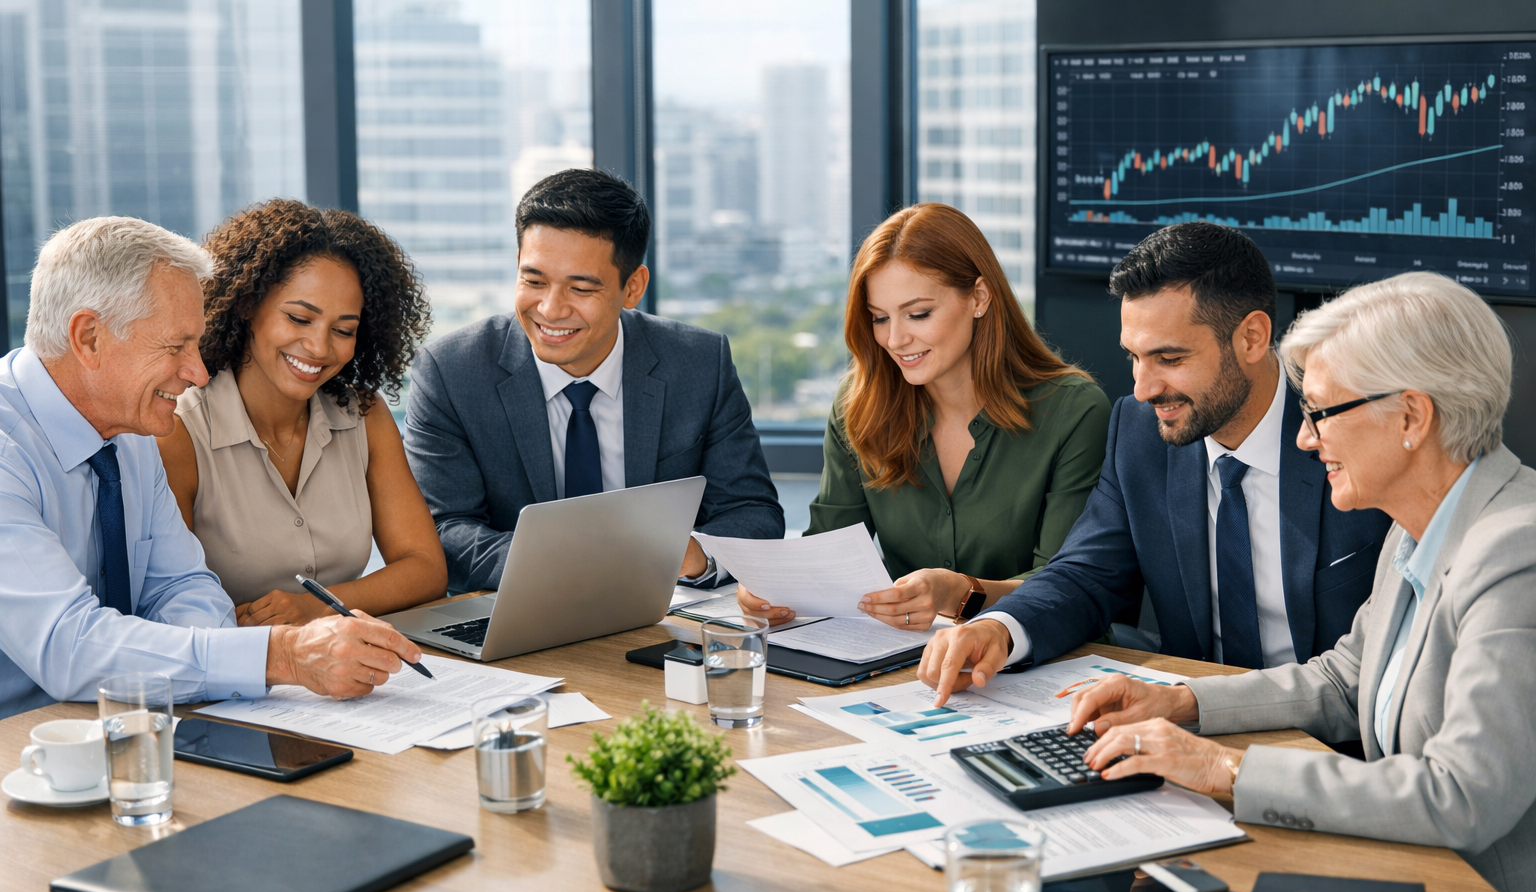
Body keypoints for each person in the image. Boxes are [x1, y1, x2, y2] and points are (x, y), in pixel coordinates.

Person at [1064, 272, 1536, 892]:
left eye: (1321, 412)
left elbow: (1459, 797)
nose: (1305, 439)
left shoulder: (1517, 554)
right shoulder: (1420, 519)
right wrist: (1183, 702)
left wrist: (1226, 770)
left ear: (1411, 415)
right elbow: (1348, 679)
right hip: (1408, 874)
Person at [920, 221, 1393, 702]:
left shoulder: (1351, 432)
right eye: (1133, 357)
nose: (1143, 389)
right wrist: (1001, 629)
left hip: (1327, 739)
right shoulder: (1140, 430)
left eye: (1169, 359)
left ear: (1252, 338)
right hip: (1184, 722)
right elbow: (1086, 574)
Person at [0, 216, 423, 721]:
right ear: (89, 337)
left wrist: (206, 664)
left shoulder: (130, 431)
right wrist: (283, 655)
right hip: (22, 744)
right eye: (176, 346)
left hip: (126, 723)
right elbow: (67, 645)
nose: (197, 371)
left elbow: (183, 586)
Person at [404, 168, 783, 593]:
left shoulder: (698, 363)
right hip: (520, 607)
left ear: (633, 287)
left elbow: (753, 511)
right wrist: (579, 566)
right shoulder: (451, 372)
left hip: (665, 611)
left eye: (580, 289)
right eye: (534, 280)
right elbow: (444, 528)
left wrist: (694, 552)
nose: (550, 309)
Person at [737, 203, 1110, 630]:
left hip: (1043, 662)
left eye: (918, 314)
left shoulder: (1074, 412)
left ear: (979, 298)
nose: (895, 339)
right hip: (904, 664)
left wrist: (958, 593)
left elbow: (1066, 587)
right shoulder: (857, 405)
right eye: (879, 318)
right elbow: (829, 553)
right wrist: (777, 586)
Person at [156, 199, 446, 625]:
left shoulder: (363, 414)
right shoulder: (178, 429)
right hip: (236, 674)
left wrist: (320, 605)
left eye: (344, 330)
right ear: (247, 304)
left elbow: (425, 569)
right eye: (298, 318)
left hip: (346, 668)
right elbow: (167, 601)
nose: (320, 347)